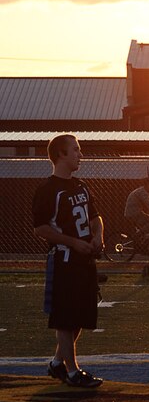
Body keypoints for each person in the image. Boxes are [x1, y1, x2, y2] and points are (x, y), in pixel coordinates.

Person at [33, 134, 105, 388]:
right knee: (65, 317)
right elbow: (41, 228)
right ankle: (72, 371)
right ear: (61, 154)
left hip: (85, 260)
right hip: (64, 260)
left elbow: (95, 217)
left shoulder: (82, 186)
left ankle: (57, 363)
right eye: (75, 150)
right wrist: (73, 242)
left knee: (80, 317)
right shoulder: (47, 190)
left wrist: (98, 236)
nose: (80, 154)